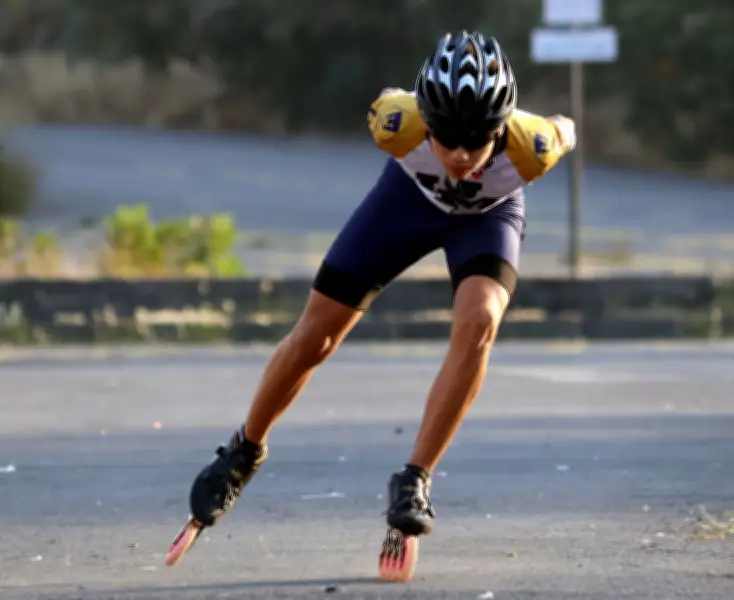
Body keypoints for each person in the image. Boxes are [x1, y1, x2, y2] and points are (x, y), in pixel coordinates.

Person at [185, 29, 575, 547]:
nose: (461, 155)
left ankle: (415, 479)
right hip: (405, 203)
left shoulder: (535, 147)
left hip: (487, 218)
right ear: (425, 122)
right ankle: (243, 451)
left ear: (502, 127)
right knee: (317, 334)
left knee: (480, 320)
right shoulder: (396, 123)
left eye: (477, 139)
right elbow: (392, 96)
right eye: (446, 137)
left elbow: (565, 127)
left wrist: (560, 128)